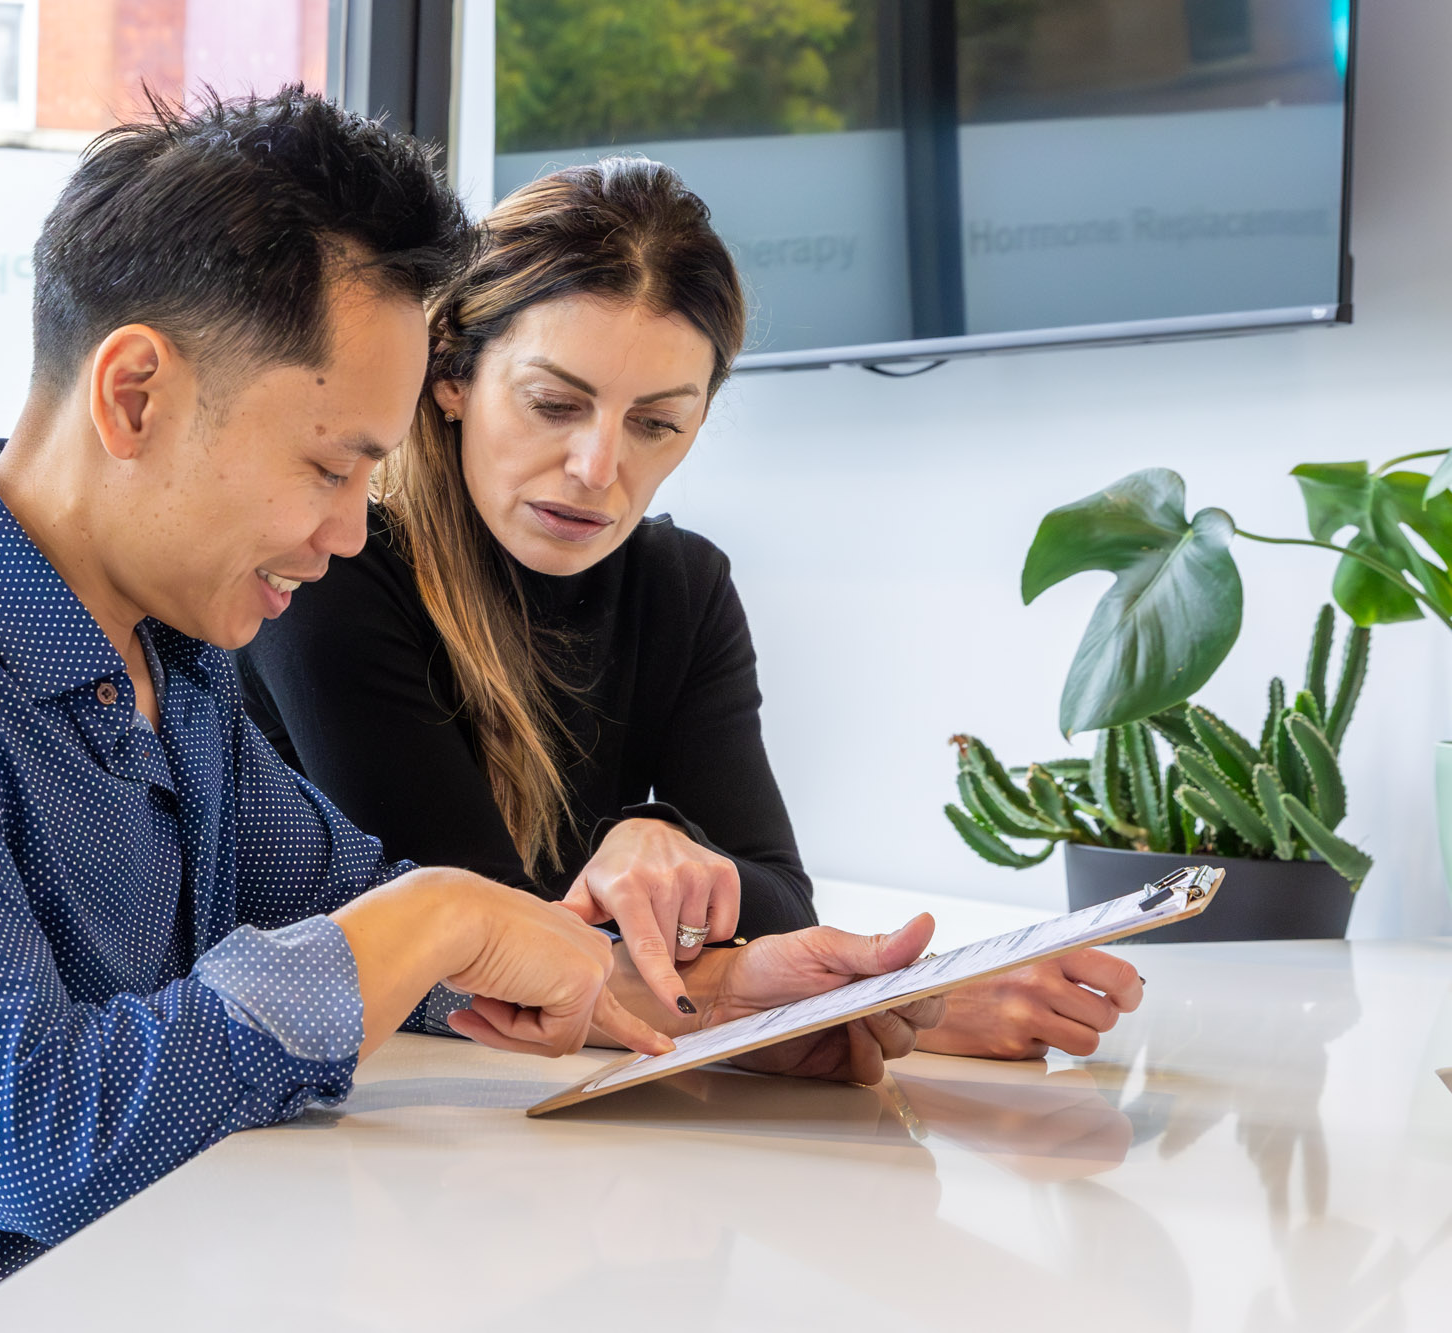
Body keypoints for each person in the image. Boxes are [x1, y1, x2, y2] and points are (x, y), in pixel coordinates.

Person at [0, 93, 943, 1333]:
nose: (351, 529)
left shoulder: (172, 666)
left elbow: (397, 930)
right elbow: (46, 1138)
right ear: (133, 394)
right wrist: (438, 916)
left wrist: (723, 1004)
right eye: (329, 464)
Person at [239, 156, 1144, 1058]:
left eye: (655, 423)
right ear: (451, 376)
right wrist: (887, 998)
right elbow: (491, 943)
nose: (598, 468)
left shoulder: (684, 586)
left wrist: (660, 840)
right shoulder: (332, 572)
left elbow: (784, 894)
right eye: (555, 403)